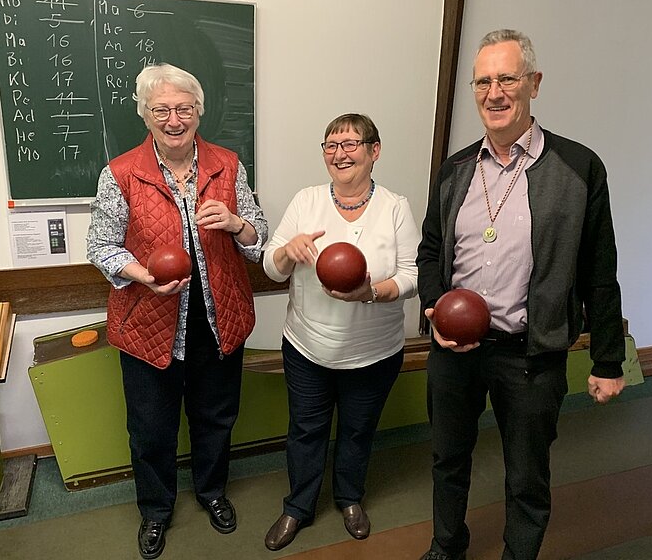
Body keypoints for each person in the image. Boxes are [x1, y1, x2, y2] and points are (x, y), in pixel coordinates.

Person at [416, 30, 626, 560]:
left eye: (507, 78)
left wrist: (607, 359)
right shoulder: (455, 169)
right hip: (454, 351)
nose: (494, 93)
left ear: (533, 83)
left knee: (527, 474)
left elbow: (600, 269)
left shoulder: (579, 167)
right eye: (483, 82)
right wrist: (435, 309)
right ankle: (446, 546)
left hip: (531, 355)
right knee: (447, 460)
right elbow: (431, 250)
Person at [87, 63, 267, 559]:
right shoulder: (121, 173)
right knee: (151, 428)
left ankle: (212, 492)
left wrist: (236, 223)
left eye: (184, 109)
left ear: (199, 112)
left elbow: (258, 240)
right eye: (161, 110)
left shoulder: (228, 165)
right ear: (145, 114)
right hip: (149, 322)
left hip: (217, 318)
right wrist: (144, 275)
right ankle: (155, 510)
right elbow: (101, 246)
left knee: (216, 417)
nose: (173, 120)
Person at [262, 113, 419, 551]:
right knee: (305, 430)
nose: (339, 153)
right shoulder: (306, 201)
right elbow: (272, 267)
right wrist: (287, 252)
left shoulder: (395, 207)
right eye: (331, 145)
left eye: (350, 144)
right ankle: (298, 506)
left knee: (357, 430)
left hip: (374, 353)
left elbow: (412, 276)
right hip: (307, 347)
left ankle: (349, 498)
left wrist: (372, 292)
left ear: (374, 150)